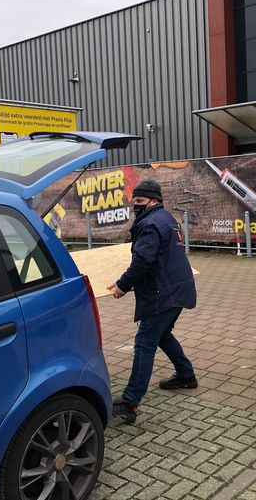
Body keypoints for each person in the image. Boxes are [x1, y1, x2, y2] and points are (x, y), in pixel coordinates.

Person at [108, 179, 197, 424]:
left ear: (153, 201)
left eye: (139, 202)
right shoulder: (166, 218)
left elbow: (143, 261)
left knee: (145, 342)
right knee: (162, 334)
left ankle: (130, 401)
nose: (135, 207)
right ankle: (185, 374)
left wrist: (122, 285)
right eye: (134, 202)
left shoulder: (149, 224)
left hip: (163, 293)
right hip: (178, 288)